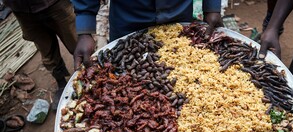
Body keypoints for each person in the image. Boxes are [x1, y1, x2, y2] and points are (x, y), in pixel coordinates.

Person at [71, 0, 223, 69]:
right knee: (125, 74)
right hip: (129, 18)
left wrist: (212, 6)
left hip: (178, 15)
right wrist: (85, 28)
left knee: (186, 70)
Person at [2, 0, 77, 111]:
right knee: (45, 49)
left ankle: (90, 72)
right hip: (22, 10)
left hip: (54, 3)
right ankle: (61, 83)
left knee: (75, 40)